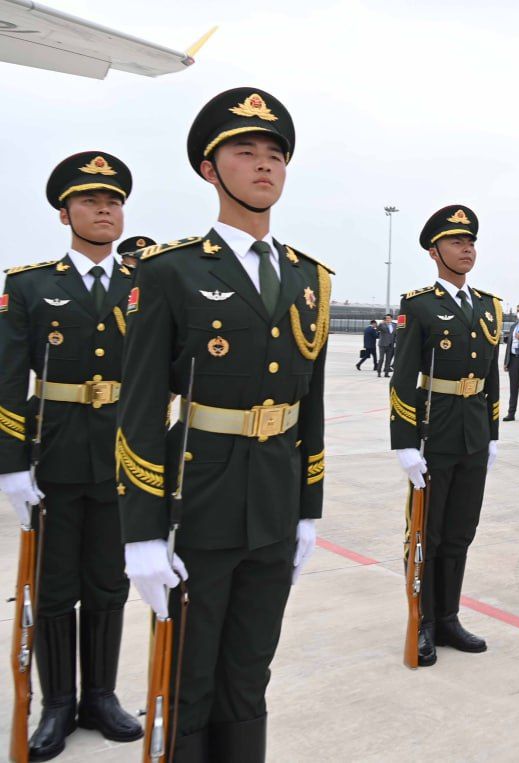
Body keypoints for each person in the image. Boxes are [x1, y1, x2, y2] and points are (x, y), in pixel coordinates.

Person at [116, 88, 330, 759]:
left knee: (248, 676)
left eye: (274, 154)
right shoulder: (171, 270)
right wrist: (141, 533)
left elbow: (312, 404)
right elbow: (142, 408)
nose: (263, 165)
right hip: (197, 502)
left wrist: (309, 508)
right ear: (211, 169)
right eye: (245, 152)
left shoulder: (308, 278)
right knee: (188, 678)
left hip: (273, 501)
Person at [0, 152, 143, 759]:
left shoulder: (147, 282)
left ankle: (101, 696)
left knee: (109, 581)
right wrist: (10, 465)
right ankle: (58, 702)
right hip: (55, 451)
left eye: (113, 201)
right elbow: (7, 379)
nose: (104, 209)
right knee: (56, 584)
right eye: (90, 201)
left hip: (121, 455)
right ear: (66, 214)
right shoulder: (29, 284)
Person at [389, 204, 502, 666]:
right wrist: (404, 442)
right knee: (427, 534)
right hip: (434, 434)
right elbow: (403, 377)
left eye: (471, 242)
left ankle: (450, 616)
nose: (467, 249)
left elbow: (493, 375)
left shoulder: (489, 306)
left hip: (474, 432)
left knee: (461, 531)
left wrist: (493, 432)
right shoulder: (419, 305)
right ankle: (424, 622)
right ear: (435, 251)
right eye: (457, 242)